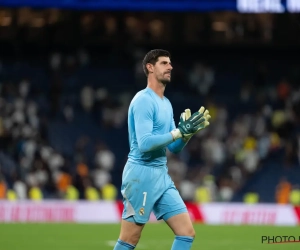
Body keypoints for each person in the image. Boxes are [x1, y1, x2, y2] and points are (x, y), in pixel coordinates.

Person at [113, 49, 211, 250]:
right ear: (150, 67)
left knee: (186, 233)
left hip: (161, 175)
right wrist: (177, 132)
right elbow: (145, 144)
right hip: (140, 174)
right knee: (129, 239)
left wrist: (187, 133)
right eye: (164, 63)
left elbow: (174, 148)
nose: (170, 67)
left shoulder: (166, 103)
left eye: (170, 63)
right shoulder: (143, 100)